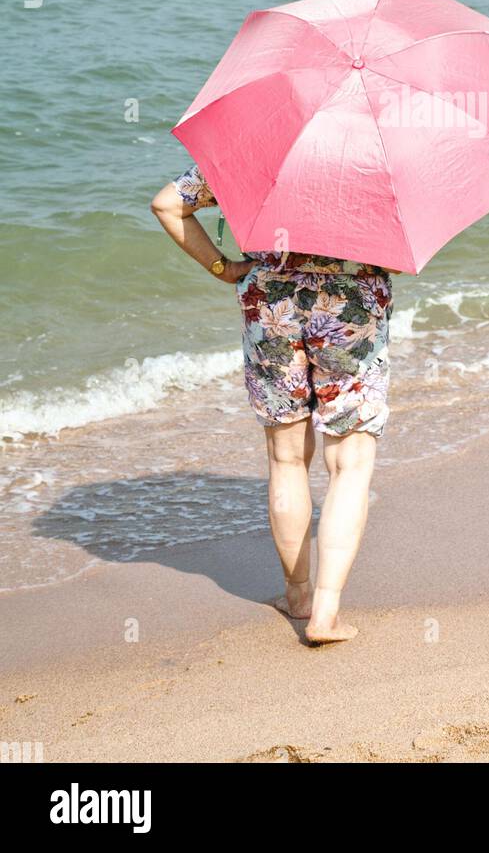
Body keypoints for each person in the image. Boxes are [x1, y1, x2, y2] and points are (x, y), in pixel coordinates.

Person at [150, 162, 394, 645]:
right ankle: (326, 611)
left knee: (286, 458)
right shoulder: (378, 153)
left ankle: (298, 595)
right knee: (350, 464)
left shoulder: (254, 145)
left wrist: (224, 268)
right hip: (352, 309)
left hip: (270, 304)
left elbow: (167, 204)